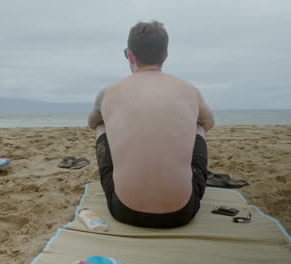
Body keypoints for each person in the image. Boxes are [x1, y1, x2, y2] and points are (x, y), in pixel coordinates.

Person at [88, 21, 215, 228]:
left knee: (101, 125)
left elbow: (92, 122)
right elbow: (208, 122)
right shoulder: (189, 90)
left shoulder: (109, 92)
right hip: (182, 213)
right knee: (198, 126)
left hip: (124, 210)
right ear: (165, 55)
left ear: (130, 55)